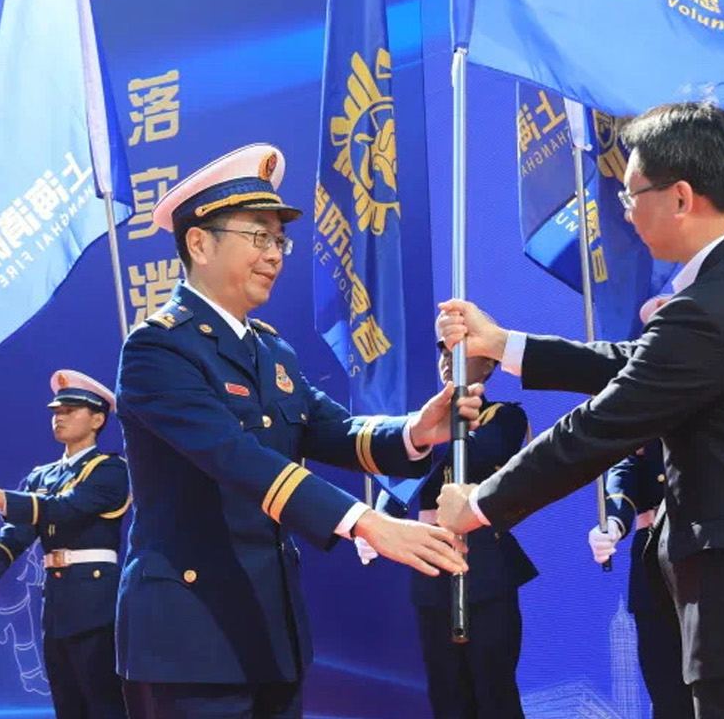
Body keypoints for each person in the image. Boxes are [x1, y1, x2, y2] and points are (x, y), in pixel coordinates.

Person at [433, 102, 724, 718]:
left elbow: (601, 425)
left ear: (679, 198)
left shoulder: (709, 308)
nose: (625, 211)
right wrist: (504, 345)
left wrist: (479, 503)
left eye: (631, 195)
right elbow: (644, 365)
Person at [115, 143, 479, 718]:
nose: (274, 255)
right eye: (258, 236)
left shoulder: (270, 350)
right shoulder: (158, 349)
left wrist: (416, 430)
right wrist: (364, 522)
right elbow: (235, 456)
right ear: (199, 243)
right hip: (191, 635)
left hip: (270, 627)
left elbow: (331, 428)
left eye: (279, 240)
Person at [353, 332, 536, 719]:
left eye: (461, 353)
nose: (448, 361)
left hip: (484, 563)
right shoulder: (421, 425)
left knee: (494, 689)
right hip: (432, 564)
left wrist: (422, 438)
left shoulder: (503, 416)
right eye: (443, 354)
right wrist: (378, 522)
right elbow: (398, 483)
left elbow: (485, 452)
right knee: (447, 693)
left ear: (488, 365)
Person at [0, 370, 131, 719]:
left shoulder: (110, 470)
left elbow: (64, 508)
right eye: (56, 411)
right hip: (57, 605)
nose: (59, 417)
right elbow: (18, 532)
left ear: (97, 419)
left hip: (97, 603)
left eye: (70, 410)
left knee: (104, 704)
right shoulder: (42, 475)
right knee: (67, 705)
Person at [588, 297, 692, 719]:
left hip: (717, 559)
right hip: (656, 564)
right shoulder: (641, 404)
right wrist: (614, 523)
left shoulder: (723, 389)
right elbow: (625, 469)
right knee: (668, 695)